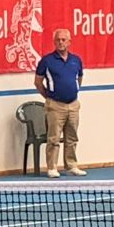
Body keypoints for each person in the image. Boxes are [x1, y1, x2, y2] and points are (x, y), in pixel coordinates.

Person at [34, 28, 86, 178]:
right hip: (55, 106)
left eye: (63, 40)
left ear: (69, 42)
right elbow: (38, 82)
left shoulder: (76, 60)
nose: (60, 42)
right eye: (58, 40)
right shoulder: (46, 61)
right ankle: (52, 167)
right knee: (54, 138)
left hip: (73, 105)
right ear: (54, 42)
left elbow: (79, 79)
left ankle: (71, 165)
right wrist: (49, 97)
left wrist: (73, 92)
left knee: (72, 137)